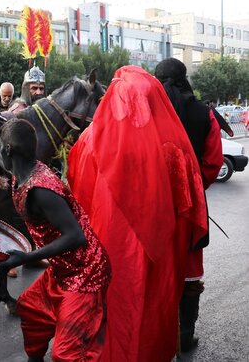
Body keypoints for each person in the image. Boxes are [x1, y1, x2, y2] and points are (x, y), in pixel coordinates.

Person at [67, 65, 210, 361]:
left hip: (107, 244)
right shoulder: (173, 146)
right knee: (152, 309)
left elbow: (76, 191)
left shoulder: (89, 141)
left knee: (113, 308)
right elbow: (189, 205)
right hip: (161, 249)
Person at [0, 118, 111, 361]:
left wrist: (25, 257)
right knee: (30, 311)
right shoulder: (21, 171)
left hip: (84, 272)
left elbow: (75, 236)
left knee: (66, 354)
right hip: (62, 268)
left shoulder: (41, 189)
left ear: (8, 150)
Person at [154, 58, 223, 352]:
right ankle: (184, 334)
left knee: (157, 268)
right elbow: (213, 163)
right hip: (192, 208)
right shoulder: (204, 114)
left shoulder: (146, 114)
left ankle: (158, 333)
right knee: (190, 271)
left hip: (153, 206)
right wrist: (193, 188)